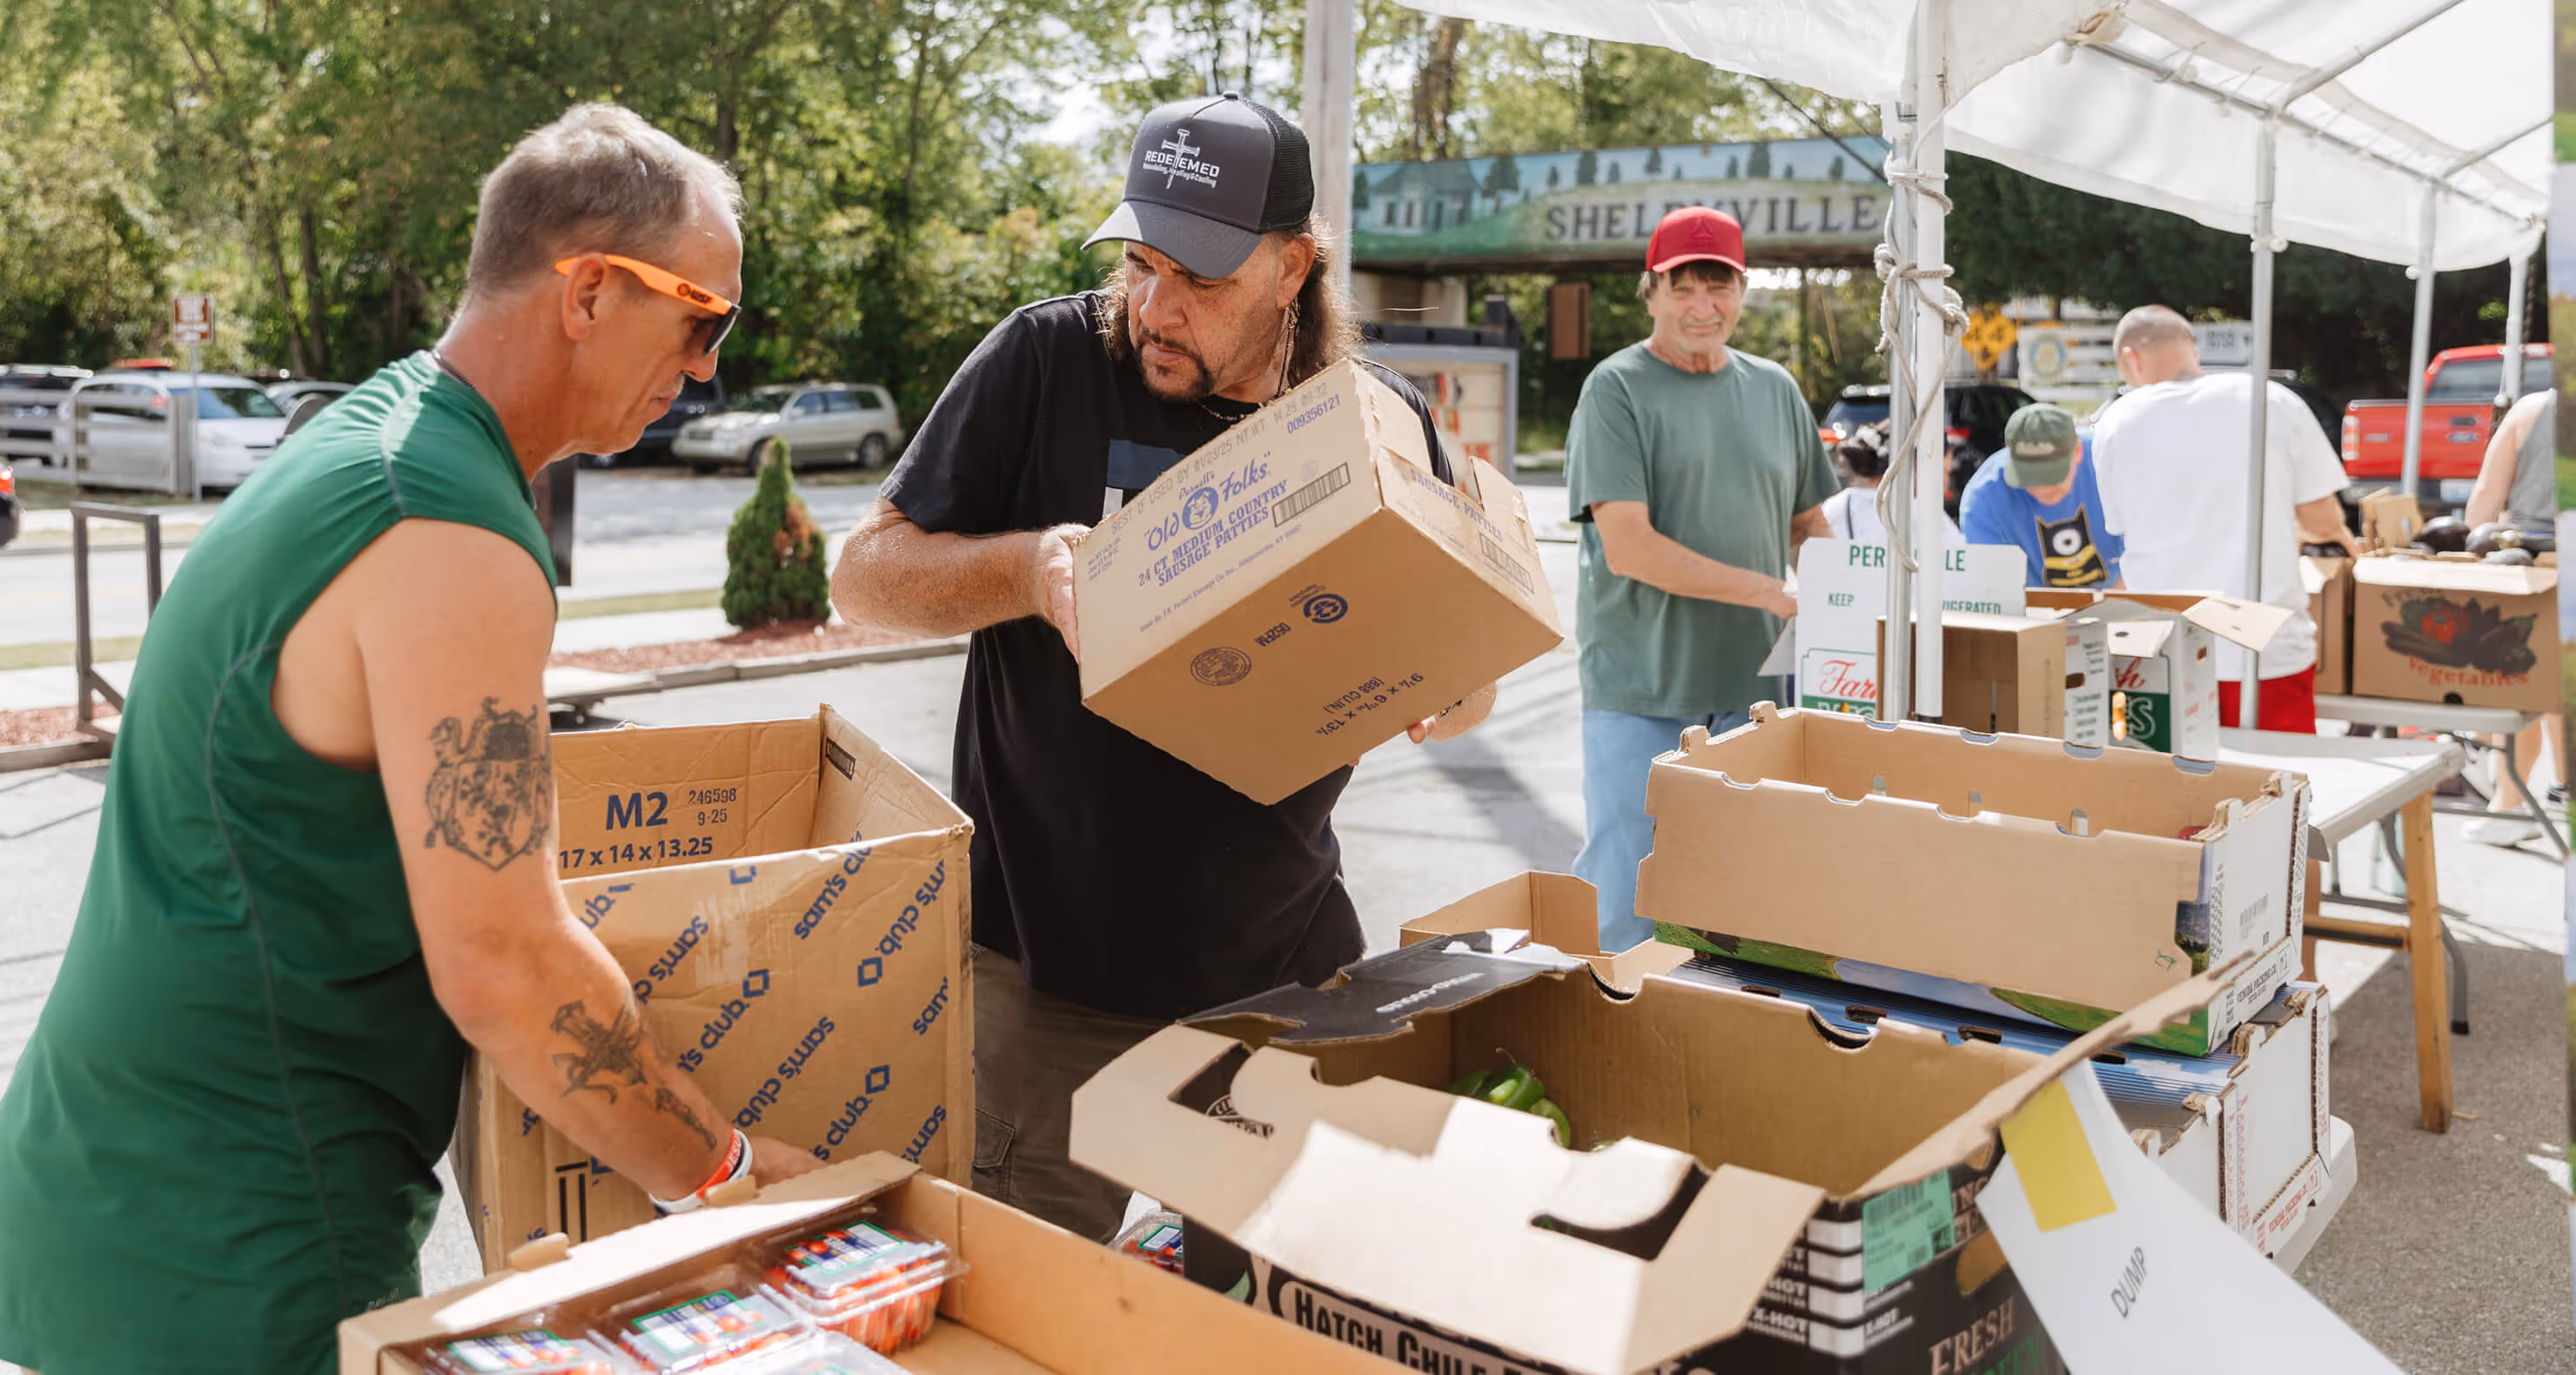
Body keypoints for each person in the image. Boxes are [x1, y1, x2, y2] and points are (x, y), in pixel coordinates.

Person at [0, 105, 823, 1375]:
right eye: (702, 319)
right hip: (241, 1238)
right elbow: (502, 961)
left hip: (110, 1183)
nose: (708, 366)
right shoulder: (449, 538)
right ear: (591, 290)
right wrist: (718, 1174)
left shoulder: (369, 437)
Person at [828, 92, 1493, 1243]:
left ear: (1294, 269)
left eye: (1201, 280)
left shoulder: (1372, 421)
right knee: (1024, 1324)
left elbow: (1466, 684)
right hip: (1043, 988)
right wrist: (1032, 570)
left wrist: (1443, 678)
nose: (1156, 309)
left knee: (1258, 1325)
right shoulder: (1046, 360)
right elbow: (866, 576)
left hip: (1277, 983)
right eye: (1140, 264)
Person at [1566, 205, 1836, 956]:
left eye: (1719, 288)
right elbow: (1630, 549)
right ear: (1650, 291)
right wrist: (1768, 593)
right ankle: (1596, 1040)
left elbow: (1808, 526)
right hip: (1642, 690)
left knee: (1743, 901)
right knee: (1627, 895)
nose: (1702, 307)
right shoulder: (1615, 390)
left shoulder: (1776, 389)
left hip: (1756, 698)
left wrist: (1846, 600)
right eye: (1683, 287)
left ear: (1743, 293)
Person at [2088, 305, 2358, 734]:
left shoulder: (2115, 422)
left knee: (2173, 791)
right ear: (2191, 349)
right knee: (2276, 791)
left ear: (2130, 357)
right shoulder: (2269, 400)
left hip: (2163, 644)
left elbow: (2124, 531)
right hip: (2262, 646)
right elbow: (2323, 521)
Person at [2459, 386, 2566, 846]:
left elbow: (2487, 493)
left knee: (2522, 683)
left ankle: (2509, 804)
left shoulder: (2533, 409)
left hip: (2533, 566)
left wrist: (2465, 551)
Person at [1959, 402, 2123, 588]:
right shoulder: (1984, 497)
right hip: (2030, 606)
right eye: (2029, 477)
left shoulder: (2110, 461)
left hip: (2118, 595)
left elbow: (2145, 549)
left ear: (2077, 452)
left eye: (2051, 476)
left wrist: (2119, 603)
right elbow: (1991, 588)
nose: (2041, 487)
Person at [1818, 418, 1963, 546]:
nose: (1946, 484)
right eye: (1945, 471)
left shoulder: (1835, 508)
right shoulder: (1923, 516)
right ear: (1919, 464)